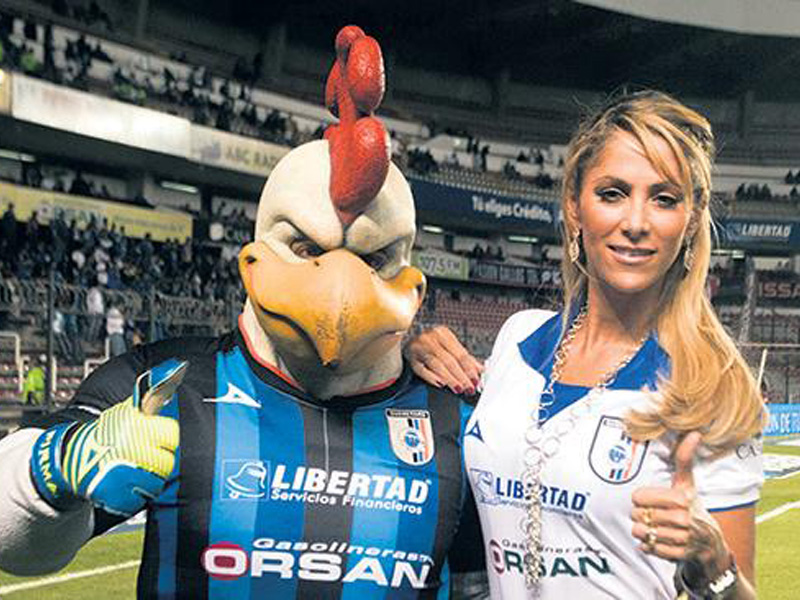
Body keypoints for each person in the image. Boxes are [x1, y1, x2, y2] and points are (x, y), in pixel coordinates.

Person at [0, 26, 484, 598]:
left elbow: (481, 584)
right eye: (306, 248)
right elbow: (17, 546)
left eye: (373, 259)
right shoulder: (165, 384)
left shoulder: (456, 416)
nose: (339, 284)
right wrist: (57, 466)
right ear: (251, 262)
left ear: (414, 287)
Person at [407, 91, 765, 599]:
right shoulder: (517, 341)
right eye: (612, 193)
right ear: (575, 207)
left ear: (690, 220)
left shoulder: (711, 387)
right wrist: (411, 357)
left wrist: (713, 567)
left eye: (664, 199)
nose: (636, 223)